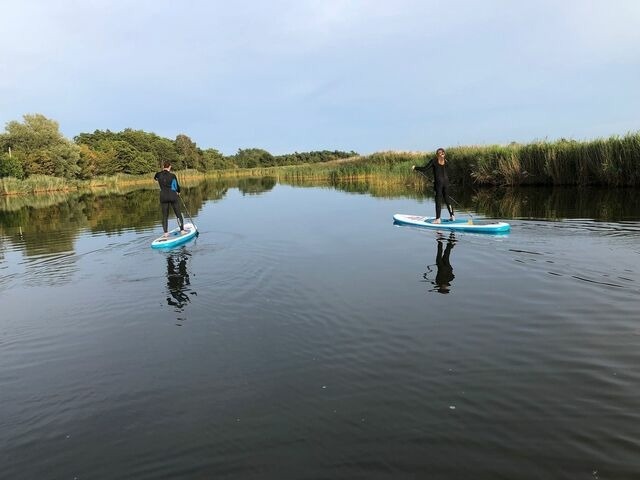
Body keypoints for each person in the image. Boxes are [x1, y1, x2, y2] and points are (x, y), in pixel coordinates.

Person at [412, 148, 454, 224]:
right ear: (443, 154)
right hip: (446, 182)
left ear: (437, 154)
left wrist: (415, 168)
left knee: (438, 200)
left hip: (439, 183)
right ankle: (452, 216)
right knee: (447, 199)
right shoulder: (446, 161)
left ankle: (438, 219)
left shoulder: (434, 161)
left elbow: (424, 169)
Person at [154, 161, 186, 237]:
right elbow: (176, 186)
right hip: (173, 196)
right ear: (170, 167)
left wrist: (160, 180)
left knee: (165, 216)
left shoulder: (158, 174)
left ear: (163, 167)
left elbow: (155, 178)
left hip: (163, 197)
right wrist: (178, 191)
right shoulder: (172, 175)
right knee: (178, 214)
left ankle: (165, 233)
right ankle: (182, 231)